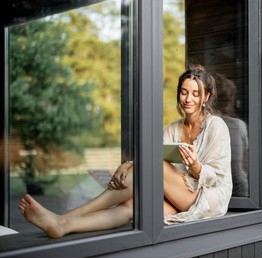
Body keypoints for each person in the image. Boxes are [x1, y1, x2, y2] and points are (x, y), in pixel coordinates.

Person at [18, 65, 233, 238]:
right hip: (180, 194)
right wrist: (128, 165)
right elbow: (150, 155)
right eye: (184, 92)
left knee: (155, 166)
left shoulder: (216, 126)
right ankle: (63, 225)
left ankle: (63, 216)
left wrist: (195, 167)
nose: (188, 99)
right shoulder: (173, 128)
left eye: (196, 94)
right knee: (131, 205)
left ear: (206, 97)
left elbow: (217, 176)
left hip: (206, 197)